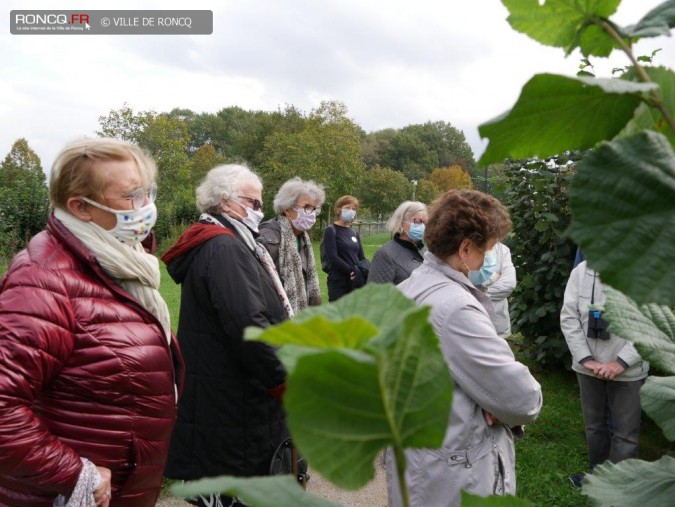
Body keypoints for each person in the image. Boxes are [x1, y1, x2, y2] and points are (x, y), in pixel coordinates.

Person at [0, 138, 184, 506]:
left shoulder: (120, 261)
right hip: (71, 495)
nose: (146, 206)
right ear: (80, 207)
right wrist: (74, 474)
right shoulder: (44, 278)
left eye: (147, 191)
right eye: (132, 195)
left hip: (126, 487)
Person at [388, 190, 542, 506]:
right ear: (465, 249)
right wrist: (498, 404)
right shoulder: (455, 308)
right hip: (453, 476)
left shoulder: (410, 288)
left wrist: (492, 399)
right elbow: (524, 399)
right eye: (487, 251)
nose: (489, 261)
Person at [162, 164, 291, 507]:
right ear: (226, 202)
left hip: (225, 394)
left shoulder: (231, 241)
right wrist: (285, 380)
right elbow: (248, 325)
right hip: (234, 402)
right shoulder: (224, 248)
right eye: (254, 202)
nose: (259, 211)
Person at [560, 261, 648, 487]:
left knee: (626, 433)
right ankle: (598, 478)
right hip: (588, 367)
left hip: (628, 370)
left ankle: (620, 486)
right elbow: (569, 317)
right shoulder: (581, 271)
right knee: (594, 426)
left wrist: (620, 363)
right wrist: (586, 359)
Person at [258, 177, 325, 313]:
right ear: (287, 209)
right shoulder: (269, 237)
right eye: (306, 207)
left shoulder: (302, 237)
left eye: (314, 209)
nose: (312, 214)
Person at [321, 195, 369, 302]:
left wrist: (363, 272)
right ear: (338, 210)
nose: (351, 211)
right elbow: (333, 257)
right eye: (348, 208)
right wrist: (351, 271)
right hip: (339, 281)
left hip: (355, 281)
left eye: (354, 209)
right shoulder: (330, 230)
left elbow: (361, 257)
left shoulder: (354, 232)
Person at [367, 200, 427, 285]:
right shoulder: (385, 254)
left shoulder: (424, 250)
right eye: (417, 222)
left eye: (424, 223)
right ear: (401, 221)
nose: (422, 226)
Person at [476, 242, 517, 339]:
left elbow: (508, 285)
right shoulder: (464, 248)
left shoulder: (503, 250)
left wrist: (475, 293)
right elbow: (462, 278)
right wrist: (493, 277)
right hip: (470, 321)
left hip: (497, 323)